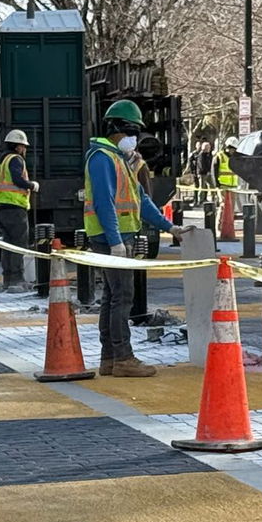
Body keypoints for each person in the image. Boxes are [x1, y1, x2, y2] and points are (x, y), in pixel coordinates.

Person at [83, 99, 171, 377]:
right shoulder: (102, 158)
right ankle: (123, 358)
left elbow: (141, 200)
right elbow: (104, 202)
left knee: (112, 297)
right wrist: (115, 241)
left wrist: (171, 227)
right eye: (132, 133)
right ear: (119, 129)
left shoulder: (119, 160)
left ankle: (109, 358)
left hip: (119, 235)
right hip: (113, 237)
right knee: (122, 297)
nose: (135, 139)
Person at [0, 128, 38, 290]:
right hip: (14, 208)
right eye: (23, 146)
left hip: (2, 208)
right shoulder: (16, 159)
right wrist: (31, 185)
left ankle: (8, 278)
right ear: (18, 146)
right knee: (19, 244)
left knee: (8, 244)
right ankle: (17, 279)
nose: (25, 149)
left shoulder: (2, 160)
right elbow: (18, 179)